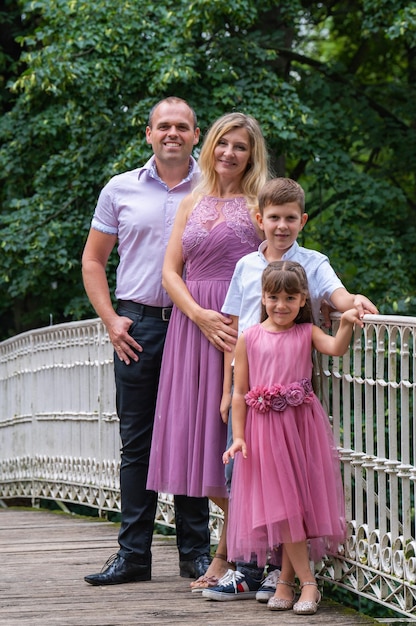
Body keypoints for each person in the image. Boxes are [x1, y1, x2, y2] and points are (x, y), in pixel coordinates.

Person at [202, 177, 378, 600]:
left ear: (303, 220)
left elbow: (336, 293)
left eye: (290, 218)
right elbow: (236, 328)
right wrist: (229, 390)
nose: (282, 226)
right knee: (241, 478)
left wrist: (352, 303)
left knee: (291, 485)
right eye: (274, 218)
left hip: (292, 401)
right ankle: (249, 566)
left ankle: (277, 575)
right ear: (260, 219)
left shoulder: (313, 262)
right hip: (250, 389)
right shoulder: (246, 267)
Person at [81, 96, 213, 585]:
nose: (172, 133)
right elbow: (93, 260)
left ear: (196, 135)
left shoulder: (217, 187)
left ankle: (195, 554)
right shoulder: (120, 189)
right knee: (136, 444)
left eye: (182, 126)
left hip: (195, 323)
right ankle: (133, 555)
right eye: (164, 126)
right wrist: (111, 320)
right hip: (138, 326)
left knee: (192, 437)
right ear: (149, 134)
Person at [146, 112, 270, 589]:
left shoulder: (260, 201)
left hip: (239, 328)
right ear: (209, 145)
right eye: (222, 143)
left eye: (240, 147)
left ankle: (240, 556)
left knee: (230, 446)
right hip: (192, 327)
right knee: (197, 452)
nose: (228, 154)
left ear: (251, 154)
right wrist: (198, 315)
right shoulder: (191, 200)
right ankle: (239, 555)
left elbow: (284, 262)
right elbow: (170, 272)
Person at [220, 260, 364, 615]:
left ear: (303, 300)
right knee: (283, 508)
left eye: (289, 297)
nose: (280, 305)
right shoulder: (249, 338)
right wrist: (238, 437)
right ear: (262, 297)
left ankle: (293, 582)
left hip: (301, 428)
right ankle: (304, 582)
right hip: (264, 432)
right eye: (273, 297)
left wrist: (345, 323)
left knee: (295, 506)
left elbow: (336, 348)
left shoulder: (306, 333)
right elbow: (240, 393)